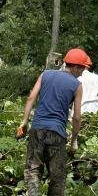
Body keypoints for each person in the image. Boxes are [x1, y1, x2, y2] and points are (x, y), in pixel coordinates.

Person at [15, 48, 90, 196]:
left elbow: (31, 98)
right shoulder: (77, 85)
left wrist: (24, 122)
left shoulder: (45, 74)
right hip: (57, 134)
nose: (83, 72)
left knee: (33, 169)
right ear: (75, 67)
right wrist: (74, 140)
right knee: (57, 176)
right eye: (82, 68)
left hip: (37, 129)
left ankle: (33, 194)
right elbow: (76, 117)